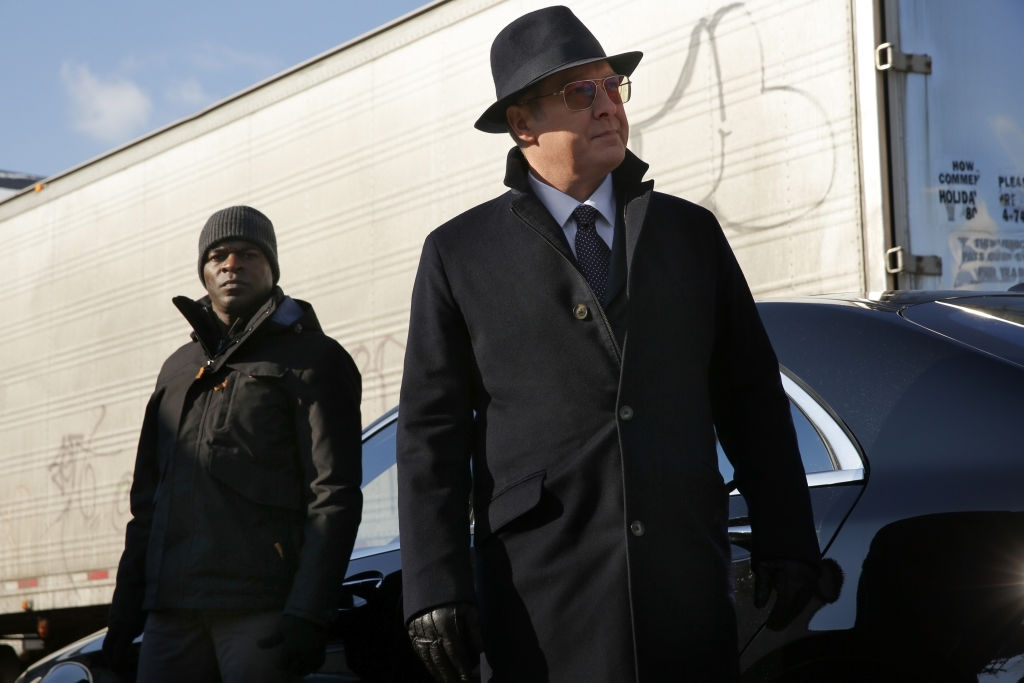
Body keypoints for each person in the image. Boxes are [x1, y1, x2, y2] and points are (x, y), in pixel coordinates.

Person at [395, 6, 824, 682]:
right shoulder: (459, 254)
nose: (608, 106)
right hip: (541, 600)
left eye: (614, 87)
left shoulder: (690, 233)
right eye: (580, 92)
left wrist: (788, 537)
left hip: (685, 591)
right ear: (522, 122)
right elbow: (430, 436)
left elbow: (751, 397)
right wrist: (433, 585)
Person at [103, 205, 363, 683]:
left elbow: (334, 495)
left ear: (271, 267)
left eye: (247, 254)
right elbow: (146, 506)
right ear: (203, 271)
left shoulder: (315, 360)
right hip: (170, 614)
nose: (231, 265)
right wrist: (124, 616)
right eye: (218, 256)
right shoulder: (177, 369)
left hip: (260, 609)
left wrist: (309, 611)